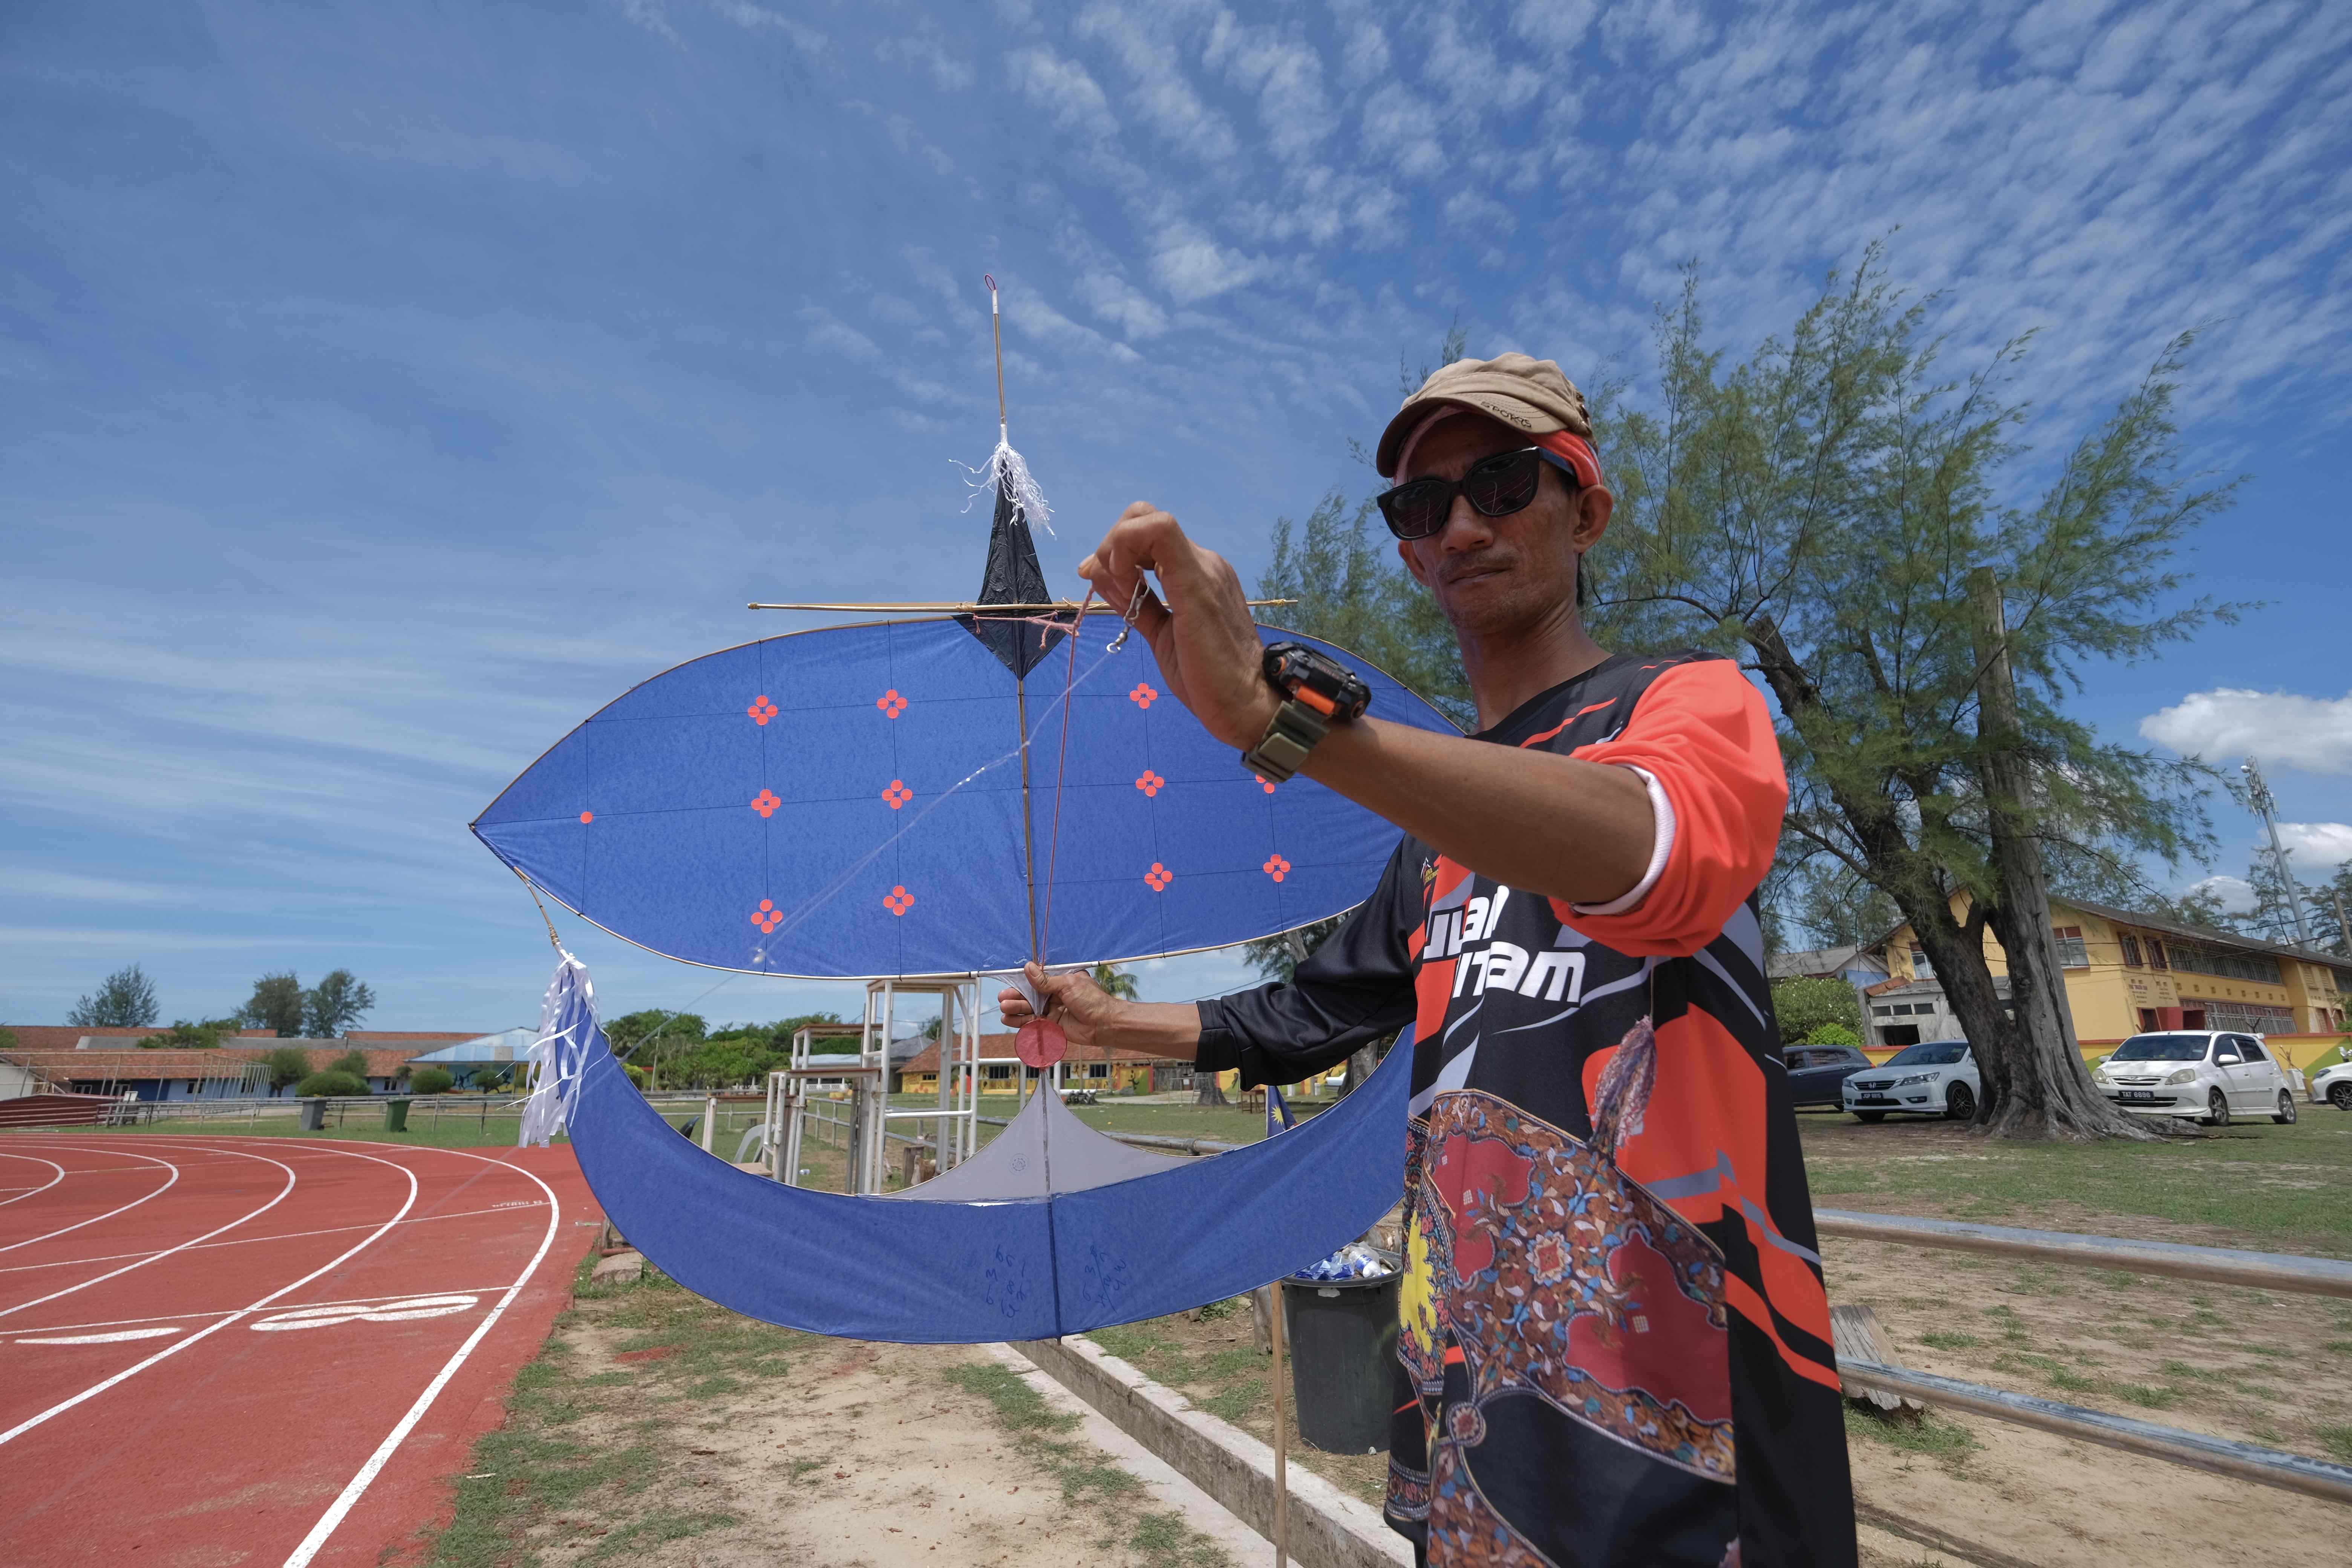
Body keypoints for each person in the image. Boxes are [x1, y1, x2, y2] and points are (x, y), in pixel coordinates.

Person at [999, 354, 1856, 1567]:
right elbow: (1313, 1014)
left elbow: (1654, 861)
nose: (1459, 525)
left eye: (1504, 484)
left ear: (1587, 508)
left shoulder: (1689, 707)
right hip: (1473, 1417)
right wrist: (1105, 1025)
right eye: (1420, 505)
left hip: (1689, 1432)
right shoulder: (1436, 834)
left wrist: (1273, 718)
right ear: (1406, 548)